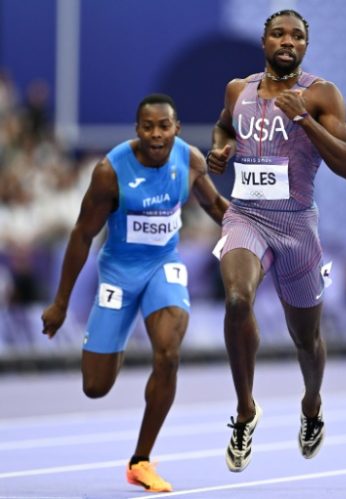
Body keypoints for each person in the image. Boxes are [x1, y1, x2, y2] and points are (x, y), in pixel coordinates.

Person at [41, 93, 228, 492]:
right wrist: (60, 303)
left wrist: (258, 232)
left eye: (164, 126)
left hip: (164, 266)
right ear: (137, 130)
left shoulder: (190, 159)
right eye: (148, 127)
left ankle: (140, 460)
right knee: (95, 387)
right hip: (118, 275)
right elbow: (82, 235)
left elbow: (214, 206)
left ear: (176, 129)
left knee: (168, 353)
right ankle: (116, 337)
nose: (157, 134)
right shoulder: (110, 171)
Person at [205, 9, 346, 472]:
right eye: (279, 33)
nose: (287, 41)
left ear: (306, 46)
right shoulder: (240, 89)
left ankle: (312, 404)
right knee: (237, 299)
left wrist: (306, 123)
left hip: (296, 228)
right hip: (246, 216)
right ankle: (245, 410)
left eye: (297, 35)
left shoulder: (321, 94)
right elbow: (223, 126)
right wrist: (222, 148)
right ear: (264, 42)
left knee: (306, 338)